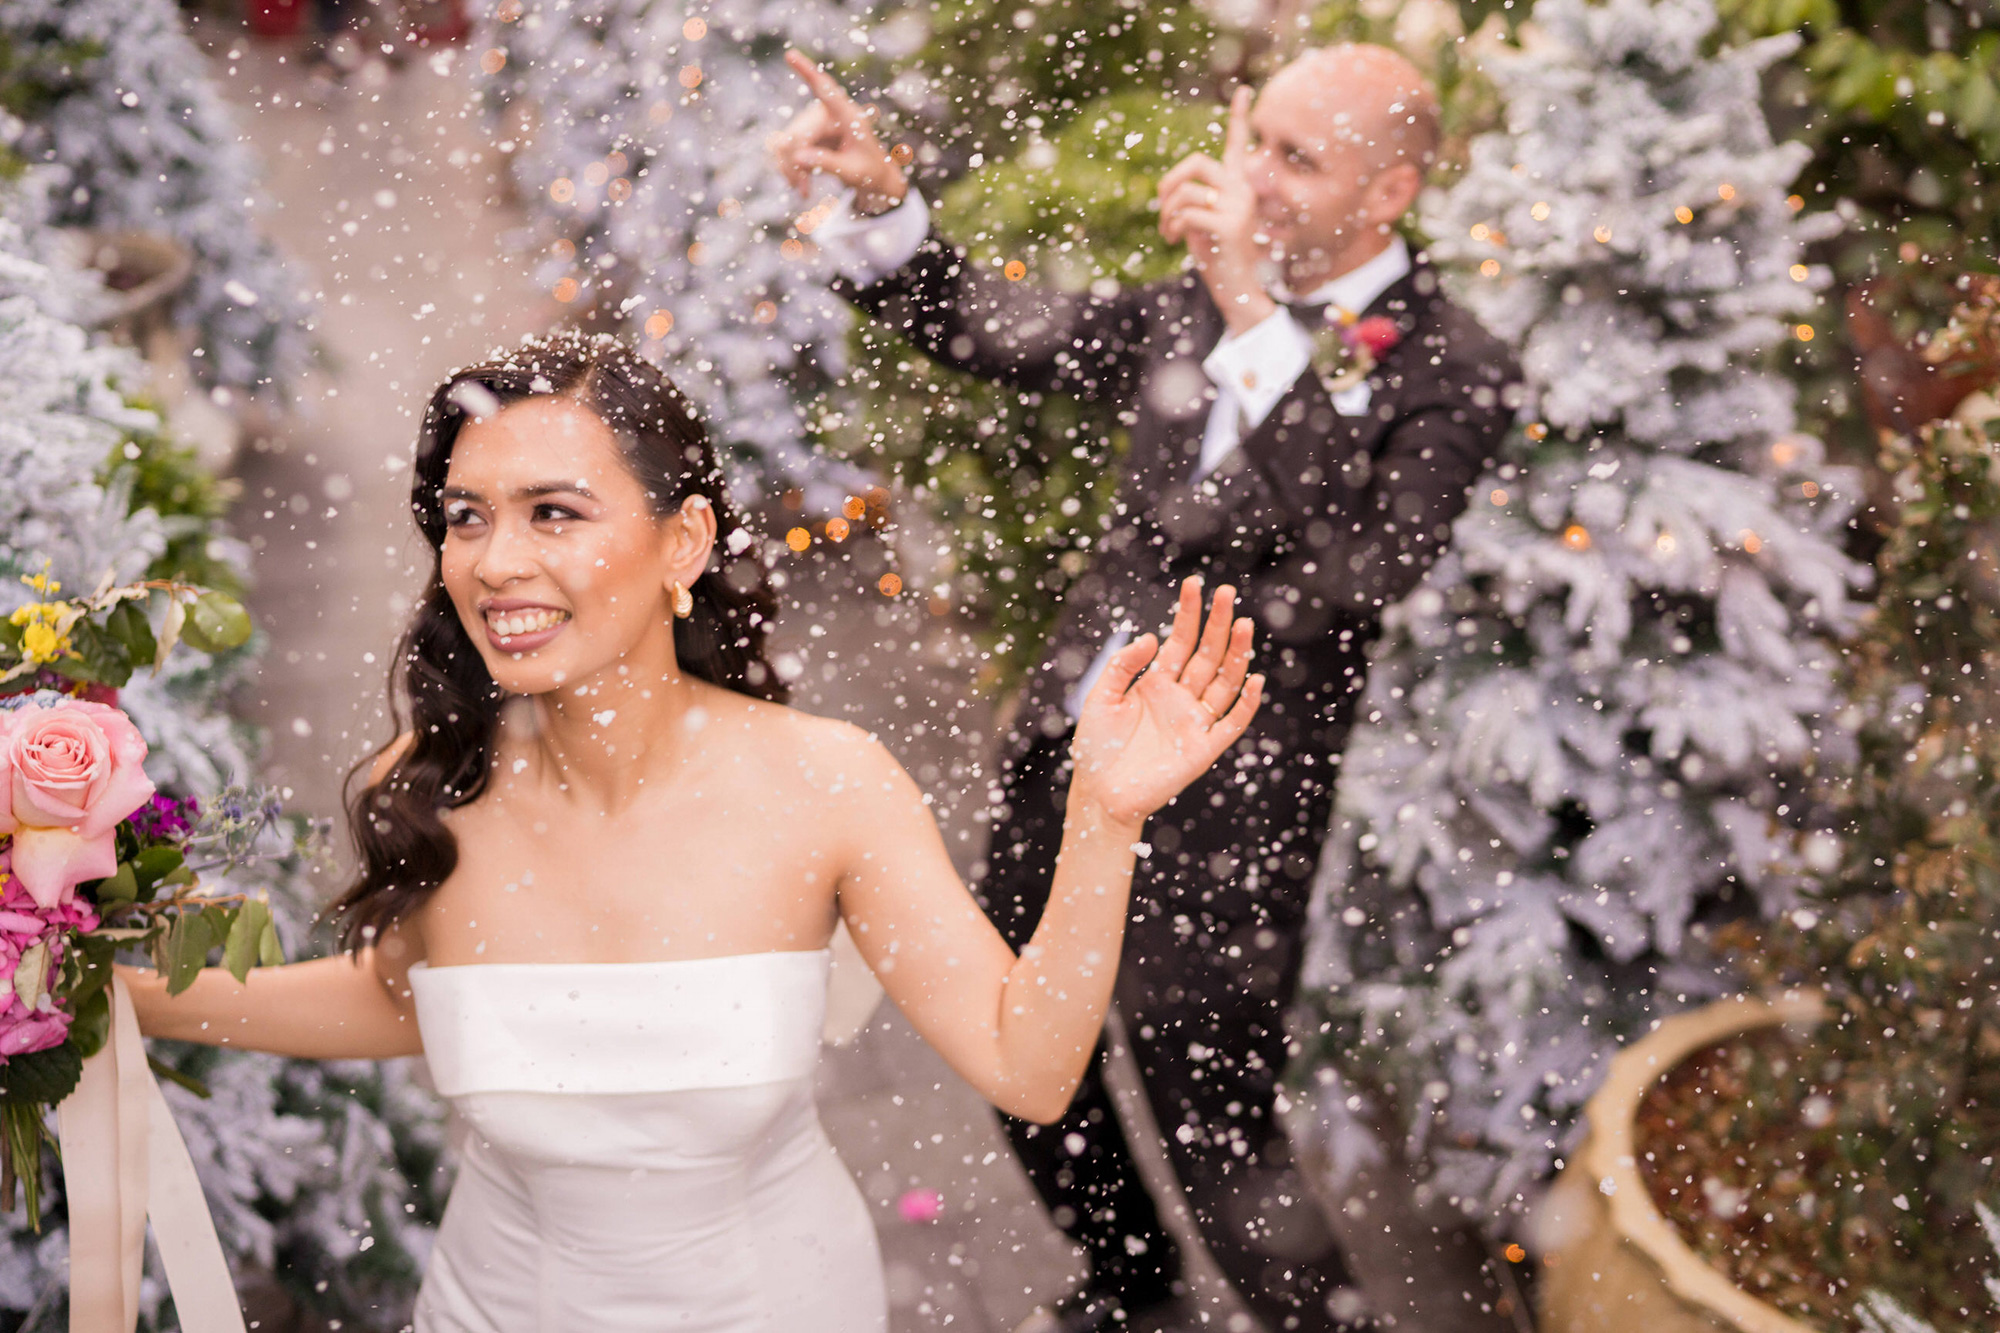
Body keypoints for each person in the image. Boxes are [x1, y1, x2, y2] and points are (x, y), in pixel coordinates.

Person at [119, 331, 1264, 1332]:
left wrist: (1105, 818)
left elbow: (1029, 1066)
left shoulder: (825, 784)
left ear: (684, 543)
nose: (495, 561)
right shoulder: (429, 785)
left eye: (553, 513)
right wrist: (102, 992)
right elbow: (401, 995)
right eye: (467, 518)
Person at [769, 44, 1521, 1333]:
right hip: (1071, 762)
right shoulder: (1199, 302)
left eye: (1297, 156)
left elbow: (1357, 566)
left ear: (1389, 190)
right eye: (1255, 137)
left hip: (1232, 817)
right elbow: (1001, 333)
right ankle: (1127, 1285)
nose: (1253, 174)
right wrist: (888, 202)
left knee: (1221, 1139)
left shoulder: (1449, 364)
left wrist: (1245, 308)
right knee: (1016, 1047)